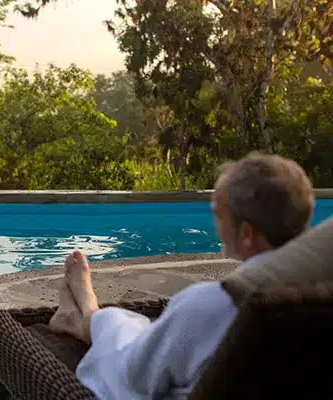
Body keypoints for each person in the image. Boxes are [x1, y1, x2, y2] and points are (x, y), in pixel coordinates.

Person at [48, 152, 315, 399]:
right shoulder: (318, 293)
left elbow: (138, 376)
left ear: (246, 234)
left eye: (218, 215)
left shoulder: (217, 304)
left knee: (124, 331)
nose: (216, 225)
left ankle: (87, 313)